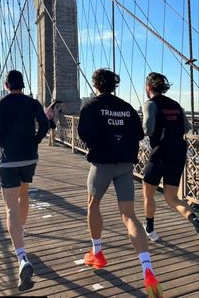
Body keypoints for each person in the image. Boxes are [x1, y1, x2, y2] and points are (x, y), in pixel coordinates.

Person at [78, 68, 163, 298]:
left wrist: (102, 141)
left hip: (102, 164)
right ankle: (147, 268)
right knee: (129, 216)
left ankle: (97, 252)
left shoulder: (90, 106)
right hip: (126, 164)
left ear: (96, 84)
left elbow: (83, 134)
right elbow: (138, 134)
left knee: (93, 205)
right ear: (114, 85)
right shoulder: (126, 106)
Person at [0, 70, 49, 291]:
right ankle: (19, 232)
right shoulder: (33, 103)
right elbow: (45, 126)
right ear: (22, 84)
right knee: (24, 195)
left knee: (10, 207)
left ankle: (21, 257)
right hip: (29, 159)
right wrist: (35, 140)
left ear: (5, 84)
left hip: (8, 161)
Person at [142, 72, 199, 241]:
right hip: (178, 154)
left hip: (159, 154)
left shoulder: (150, 104)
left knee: (148, 195)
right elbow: (186, 127)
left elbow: (147, 129)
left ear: (149, 87)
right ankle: (195, 220)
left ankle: (150, 230)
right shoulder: (176, 105)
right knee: (172, 198)